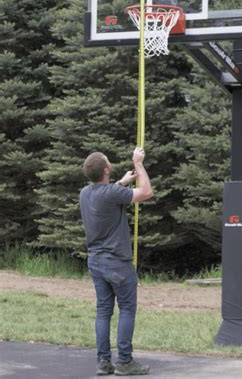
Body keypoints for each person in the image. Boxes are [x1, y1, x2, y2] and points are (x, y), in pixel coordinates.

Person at [80, 147, 153, 376]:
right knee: (127, 309)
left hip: (96, 260)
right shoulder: (111, 193)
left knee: (103, 311)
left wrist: (121, 182)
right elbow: (146, 192)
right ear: (107, 169)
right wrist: (138, 164)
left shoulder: (85, 193)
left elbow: (108, 193)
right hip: (117, 262)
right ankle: (124, 361)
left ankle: (104, 362)